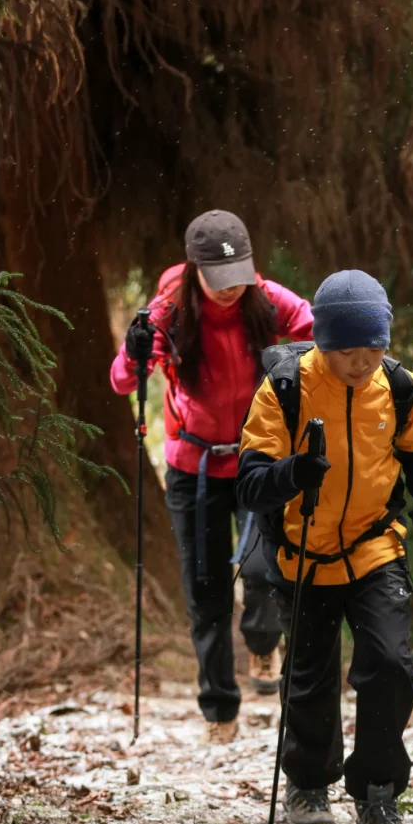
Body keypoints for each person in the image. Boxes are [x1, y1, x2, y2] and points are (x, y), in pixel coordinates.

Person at [236, 269, 413, 824]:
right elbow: (251, 483)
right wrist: (293, 472)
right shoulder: (285, 388)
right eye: (348, 351)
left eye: (374, 348)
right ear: (325, 343)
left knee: (390, 666)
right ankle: (309, 781)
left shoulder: (401, 388)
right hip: (301, 553)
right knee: (308, 680)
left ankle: (377, 789)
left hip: (374, 546)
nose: (362, 362)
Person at [110, 210, 313, 743]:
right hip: (192, 467)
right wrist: (134, 352)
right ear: (195, 270)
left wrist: (294, 363)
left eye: (238, 277)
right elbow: (121, 380)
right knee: (206, 592)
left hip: (257, 458)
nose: (230, 291)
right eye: (219, 281)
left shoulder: (266, 300)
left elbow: (318, 330)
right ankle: (220, 709)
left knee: (268, 571)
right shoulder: (170, 311)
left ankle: (264, 643)